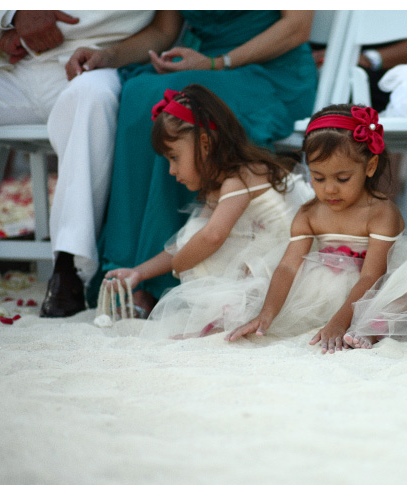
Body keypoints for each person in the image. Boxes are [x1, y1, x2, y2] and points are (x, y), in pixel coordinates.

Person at [94, 10, 318, 311]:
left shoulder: (240, 178)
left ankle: (162, 286)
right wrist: (106, 56)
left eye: (174, 162)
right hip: (202, 64)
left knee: (172, 104)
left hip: (268, 68)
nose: (173, 170)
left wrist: (217, 62)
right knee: (137, 92)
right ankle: (131, 271)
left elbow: (297, 27)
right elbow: (164, 30)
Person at [227, 104, 407, 352]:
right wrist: (267, 313)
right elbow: (288, 266)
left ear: (370, 166)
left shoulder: (380, 212)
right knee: (258, 270)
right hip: (322, 286)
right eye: (318, 178)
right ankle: (316, 320)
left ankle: (373, 327)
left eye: (342, 178)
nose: (329, 189)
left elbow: (372, 275)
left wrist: (340, 320)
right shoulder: (309, 213)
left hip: (376, 283)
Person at [0, 10, 161, 317]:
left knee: (92, 99)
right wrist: (13, 14)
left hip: (94, 65)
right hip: (13, 64)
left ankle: (68, 266)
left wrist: (107, 56)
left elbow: (165, 27)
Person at [102, 85, 311, 332]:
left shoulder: (242, 176)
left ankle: (226, 315)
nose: (171, 170)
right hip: (263, 258)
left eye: (174, 157)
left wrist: (180, 264)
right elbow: (186, 242)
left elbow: (213, 236)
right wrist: (138, 273)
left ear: (204, 143)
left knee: (202, 251)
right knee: (196, 239)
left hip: (288, 263)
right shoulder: (222, 187)